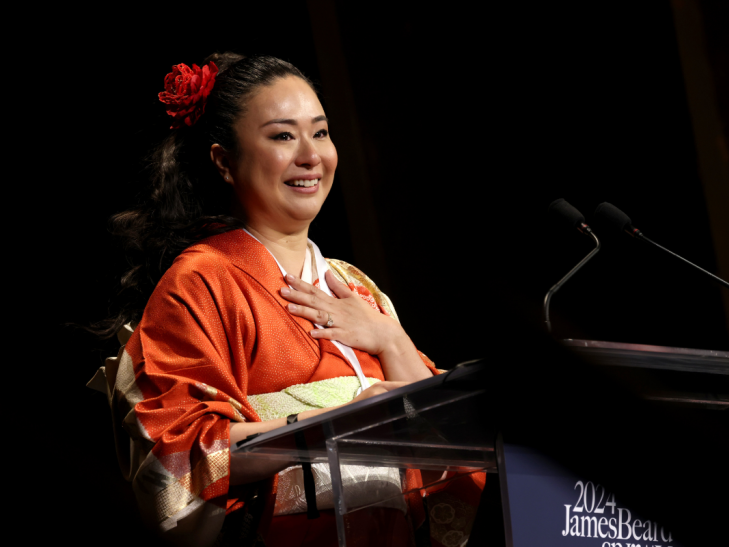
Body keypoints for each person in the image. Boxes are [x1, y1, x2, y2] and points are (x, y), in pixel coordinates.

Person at [88, 53, 484, 546]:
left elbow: (456, 441)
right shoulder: (202, 280)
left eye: (320, 133)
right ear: (223, 161)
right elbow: (181, 457)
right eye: (282, 136)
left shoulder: (352, 285)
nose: (311, 155)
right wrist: (343, 423)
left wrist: (391, 339)